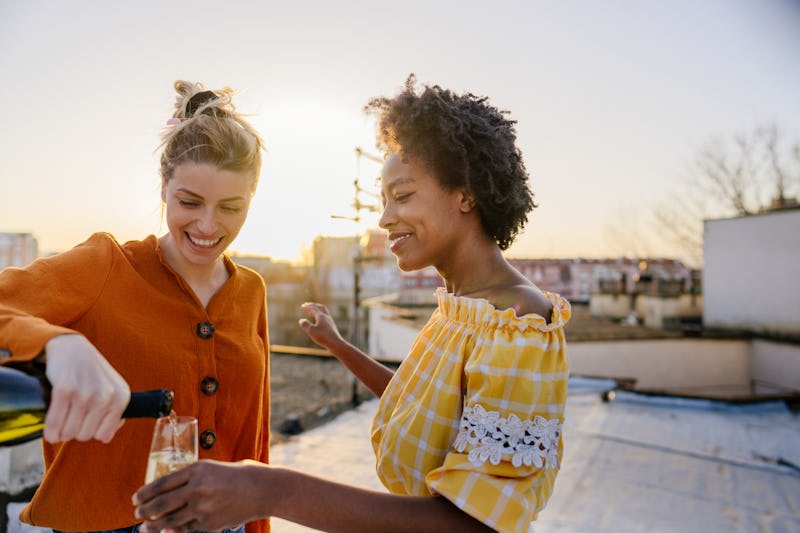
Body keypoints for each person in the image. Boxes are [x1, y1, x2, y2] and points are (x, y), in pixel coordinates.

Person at [133, 75, 571, 533]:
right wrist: (338, 345)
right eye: (384, 200)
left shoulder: (518, 322)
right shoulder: (463, 307)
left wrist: (271, 490)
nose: (384, 218)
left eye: (402, 196)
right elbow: (418, 403)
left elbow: (478, 524)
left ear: (466, 193)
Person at [0, 81, 270, 533]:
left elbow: (252, 440)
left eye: (231, 207)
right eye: (189, 202)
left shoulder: (252, 291)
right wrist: (58, 343)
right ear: (164, 187)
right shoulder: (105, 264)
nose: (208, 224)